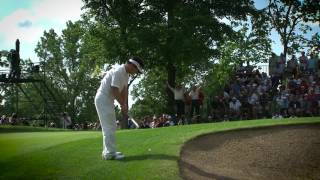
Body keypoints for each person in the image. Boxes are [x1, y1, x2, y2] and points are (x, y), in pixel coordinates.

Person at [95, 57, 144, 160]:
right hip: (103, 99)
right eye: (136, 70)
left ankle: (108, 152)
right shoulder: (118, 71)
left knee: (111, 126)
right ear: (132, 65)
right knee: (109, 127)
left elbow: (124, 90)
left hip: (108, 100)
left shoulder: (126, 74)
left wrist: (125, 104)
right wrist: (122, 104)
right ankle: (109, 153)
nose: (136, 73)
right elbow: (114, 89)